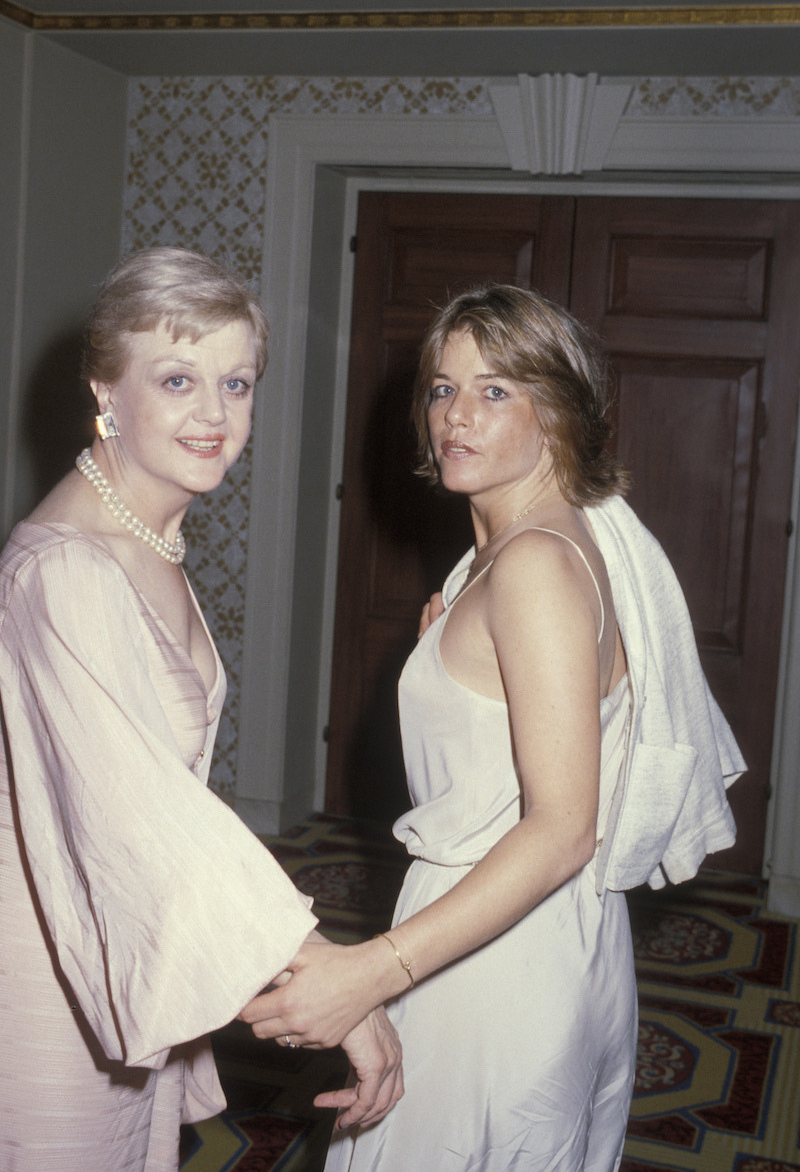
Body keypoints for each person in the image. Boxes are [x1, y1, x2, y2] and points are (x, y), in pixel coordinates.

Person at [240, 283, 746, 1171]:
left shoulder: (535, 565)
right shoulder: (540, 545)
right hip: (555, 940)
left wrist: (371, 971)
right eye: (442, 388)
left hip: (497, 958)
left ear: (560, 411)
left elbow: (561, 829)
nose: (456, 416)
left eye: (496, 390)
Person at [0, 247, 402, 1172]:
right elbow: (153, 818)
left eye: (237, 382)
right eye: (178, 379)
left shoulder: (143, 532)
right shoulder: (67, 569)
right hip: (55, 976)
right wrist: (342, 986)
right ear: (106, 389)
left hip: (117, 929)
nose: (216, 415)